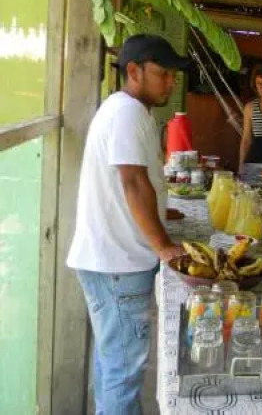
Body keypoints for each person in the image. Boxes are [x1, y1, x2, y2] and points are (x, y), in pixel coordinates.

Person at [66, 34, 188, 414]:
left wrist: (161, 213)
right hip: (118, 265)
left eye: (173, 76)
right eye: (163, 74)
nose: (171, 82)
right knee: (123, 371)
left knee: (113, 364)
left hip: (111, 260)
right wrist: (163, 247)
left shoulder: (129, 110)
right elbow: (132, 182)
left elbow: (135, 182)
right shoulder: (126, 112)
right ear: (133, 71)